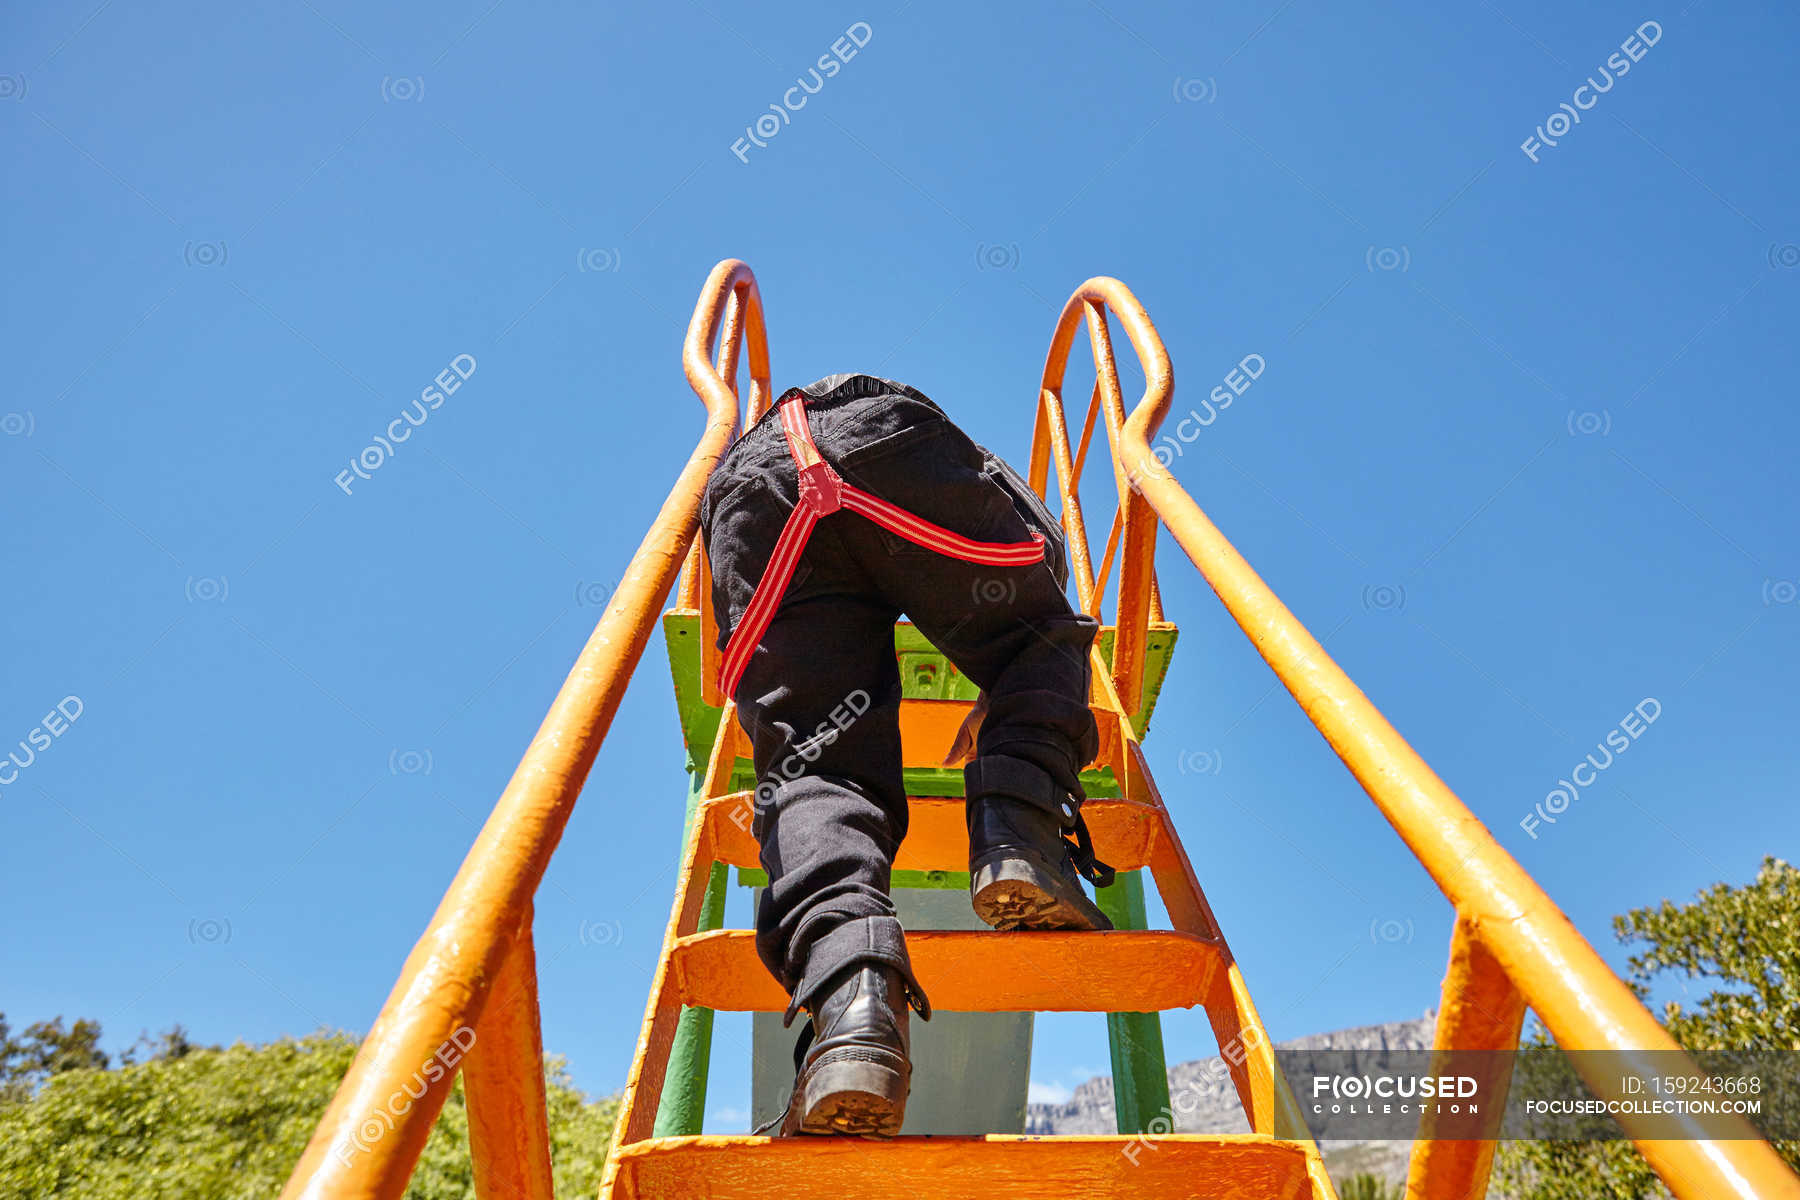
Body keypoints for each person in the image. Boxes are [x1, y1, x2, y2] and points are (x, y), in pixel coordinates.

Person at [699, 373, 1114, 1137]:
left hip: (752, 495)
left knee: (817, 771)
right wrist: (1006, 696)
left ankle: (854, 1011)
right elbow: (1039, 567)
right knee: (1042, 637)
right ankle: (1018, 838)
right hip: (882, 437)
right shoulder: (956, 459)